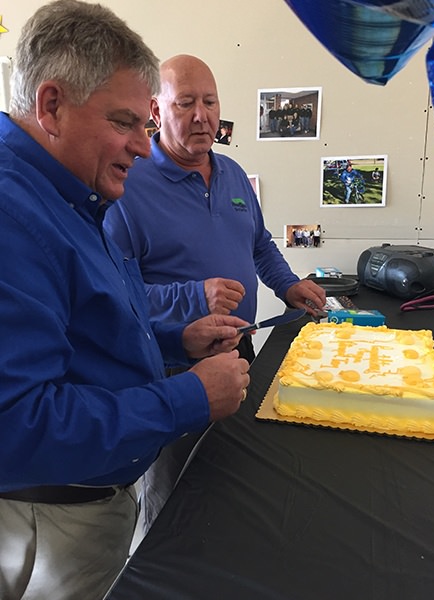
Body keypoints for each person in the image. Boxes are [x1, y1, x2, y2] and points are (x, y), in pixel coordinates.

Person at [0, 4, 250, 600]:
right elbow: (17, 426)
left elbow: (82, 330)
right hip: (52, 523)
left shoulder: (73, 192)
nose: (144, 146)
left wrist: (173, 339)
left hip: (85, 508)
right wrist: (187, 396)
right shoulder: (13, 213)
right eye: (125, 122)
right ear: (52, 105)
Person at [104, 54, 326, 365]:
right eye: (185, 103)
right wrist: (195, 298)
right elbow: (114, 294)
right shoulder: (125, 187)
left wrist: (288, 285)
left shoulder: (233, 172)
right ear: (156, 110)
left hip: (240, 346)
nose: (201, 116)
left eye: (210, 102)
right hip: (174, 364)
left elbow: (259, 246)